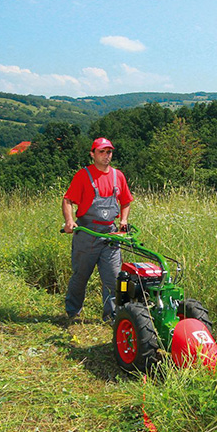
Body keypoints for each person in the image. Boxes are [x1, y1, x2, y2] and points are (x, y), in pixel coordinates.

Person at [62, 137, 133, 321]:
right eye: (101, 151)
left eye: (109, 151)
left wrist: (124, 220)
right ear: (92, 154)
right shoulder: (83, 175)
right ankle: (72, 312)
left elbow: (125, 201)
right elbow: (68, 200)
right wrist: (70, 221)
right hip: (87, 233)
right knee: (81, 276)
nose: (106, 155)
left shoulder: (118, 176)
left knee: (113, 278)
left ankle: (112, 317)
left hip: (110, 234)